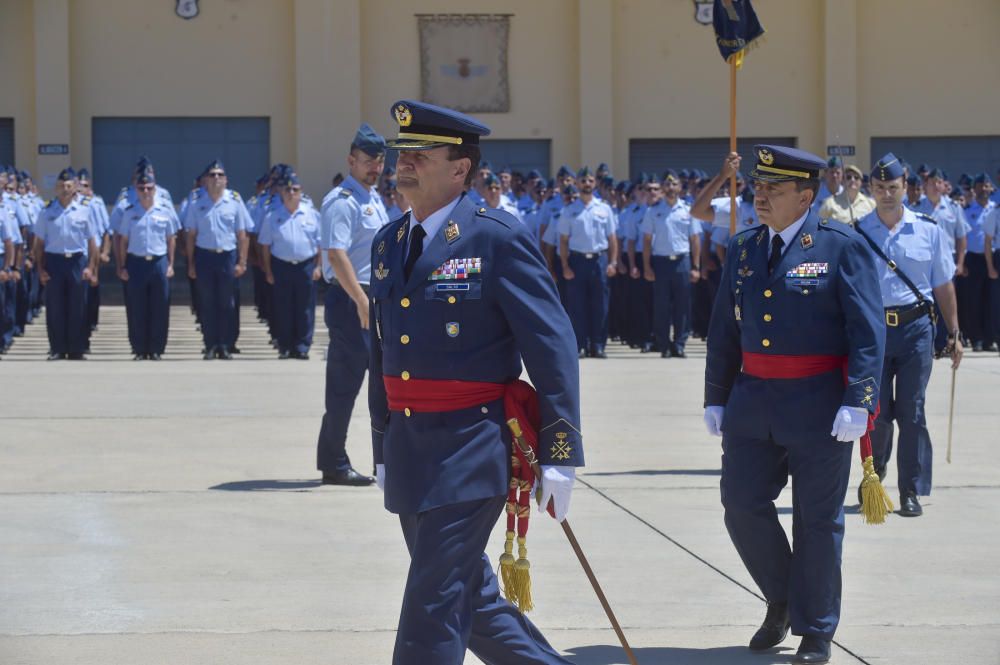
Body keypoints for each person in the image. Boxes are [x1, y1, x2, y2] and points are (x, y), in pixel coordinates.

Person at [369, 99, 582, 665]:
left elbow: (553, 346)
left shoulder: (496, 238)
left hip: (471, 449)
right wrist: (380, 443)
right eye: (402, 154)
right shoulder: (389, 244)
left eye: (420, 154)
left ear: (461, 169)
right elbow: (383, 351)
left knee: (431, 606)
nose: (404, 163)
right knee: (471, 599)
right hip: (410, 450)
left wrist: (560, 453)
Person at [704, 145, 885, 664]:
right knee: (740, 503)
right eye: (758, 188)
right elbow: (723, 330)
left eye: (772, 190)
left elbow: (867, 334)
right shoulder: (743, 248)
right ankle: (782, 597)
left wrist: (860, 401)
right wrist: (716, 397)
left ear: (805, 196)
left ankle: (817, 627)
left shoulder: (841, 246)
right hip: (753, 400)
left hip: (819, 403)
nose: (759, 196)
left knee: (818, 520)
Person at [857, 153, 963, 517]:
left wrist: (954, 332)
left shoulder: (928, 229)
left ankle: (910, 490)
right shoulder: (859, 231)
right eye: (880, 187)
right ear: (871, 189)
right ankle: (878, 471)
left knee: (912, 412)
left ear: (905, 188)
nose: (887, 193)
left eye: (893, 187)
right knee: (879, 412)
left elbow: (943, 284)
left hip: (917, 328)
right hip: (875, 332)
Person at [315, 123, 389, 487]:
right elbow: (336, 254)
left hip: (372, 297)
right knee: (344, 385)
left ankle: (385, 460)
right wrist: (361, 301)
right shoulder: (341, 201)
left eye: (379, 161)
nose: (375, 168)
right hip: (351, 300)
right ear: (351, 160)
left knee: (381, 383)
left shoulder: (371, 198)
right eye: (367, 161)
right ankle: (333, 462)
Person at [182, 160, 252, 360]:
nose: (216, 179)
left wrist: (242, 262)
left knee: (227, 303)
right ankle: (210, 345)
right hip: (204, 256)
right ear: (205, 180)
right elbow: (191, 236)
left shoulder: (235, 201)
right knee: (207, 303)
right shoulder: (197, 202)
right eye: (212, 175)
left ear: (226, 180)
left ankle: (225, 344)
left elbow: (242, 235)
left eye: (220, 175)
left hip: (227, 256)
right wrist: (191, 263)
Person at [32, 168, 101, 360]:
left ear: (75, 188)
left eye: (69, 186)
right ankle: (57, 348)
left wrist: (90, 268)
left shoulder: (85, 211)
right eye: (61, 186)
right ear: (56, 188)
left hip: (77, 261)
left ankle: (77, 348)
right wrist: (40, 269)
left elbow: (92, 243)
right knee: (55, 307)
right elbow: (39, 244)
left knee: (78, 306)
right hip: (54, 261)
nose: (65, 189)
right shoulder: (46, 212)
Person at [116, 172, 180, 360]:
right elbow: (123, 241)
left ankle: (156, 348)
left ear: (155, 189)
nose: (145, 191)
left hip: (159, 262)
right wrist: (122, 266)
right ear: (136, 190)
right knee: (137, 307)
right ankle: (139, 348)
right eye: (142, 188)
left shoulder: (165, 210)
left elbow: (171, 239)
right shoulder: (130, 212)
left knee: (160, 307)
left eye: (149, 188)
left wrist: (170, 264)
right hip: (136, 262)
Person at [258, 173, 321, 359]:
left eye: (295, 189)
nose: (291, 193)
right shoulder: (273, 216)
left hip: (306, 266)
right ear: (281, 193)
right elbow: (265, 246)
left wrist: (318, 267)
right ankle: (285, 346)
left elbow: (321, 244)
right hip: (281, 266)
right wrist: (268, 271)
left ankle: (302, 347)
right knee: (283, 308)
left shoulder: (312, 215)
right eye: (287, 190)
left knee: (305, 308)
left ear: (301, 192)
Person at [558, 166, 618, 358]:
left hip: (599, 260)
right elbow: (564, 241)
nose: (587, 184)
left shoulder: (604, 208)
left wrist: (613, 263)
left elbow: (612, 239)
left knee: (600, 305)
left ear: (595, 183)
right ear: (577, 184)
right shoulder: (569, 210)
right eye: (583, 181)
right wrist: (565, 266)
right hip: (577, 261)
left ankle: (598, 345)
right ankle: (580, 345)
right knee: (577, 306)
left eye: (590, 180)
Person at [641, 170, 701, 358]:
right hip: (660, 262)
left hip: (682, 261)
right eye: (667, 185)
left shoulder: (688, 210)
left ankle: (680, 343)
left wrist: (695, 266)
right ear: (662, 188)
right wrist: (647, 266)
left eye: (674, 184)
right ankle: (664, 344)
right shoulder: (653, 211)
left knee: (683, 305)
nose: (670, 188)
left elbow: (695, 240)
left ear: (680, 187)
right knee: (661, 306)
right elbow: (646, 241)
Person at [956, 174, 996, 351]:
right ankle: (976, 338)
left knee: (992, 301)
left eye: (987, 186)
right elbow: (961, 238)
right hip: (972, 259)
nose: (984, 189)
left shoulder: (996, 209)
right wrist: (962, 262)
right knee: (973, 302)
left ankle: (990, 338)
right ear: (975, 189)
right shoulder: (966, 211)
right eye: (981, 186)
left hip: (993, 259)